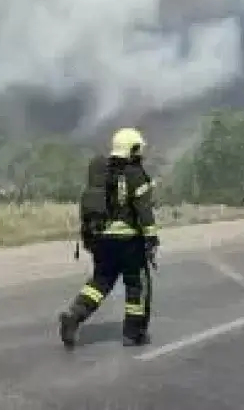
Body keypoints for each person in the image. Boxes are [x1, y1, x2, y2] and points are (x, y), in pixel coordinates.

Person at [59, 127, 160, 349]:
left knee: (100, 282)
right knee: (137, 285)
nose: (141, 153)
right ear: (132, 149)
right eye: (138, 149)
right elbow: (144, 211)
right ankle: (133, 334)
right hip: (129, 241)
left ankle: (74, 315)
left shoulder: (102, 172)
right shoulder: (135, 173)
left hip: (102, 240)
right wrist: (152, 240)